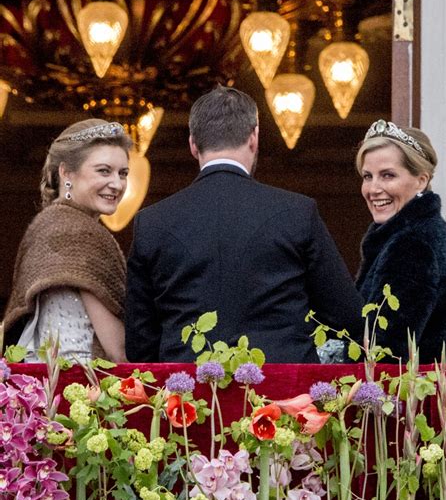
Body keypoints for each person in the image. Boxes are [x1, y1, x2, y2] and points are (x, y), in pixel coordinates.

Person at [125, 85, 363, 363]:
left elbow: (140, 345)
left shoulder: (152, 222)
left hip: (189, 397)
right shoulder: (297, 212)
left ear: (192, 144)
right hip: (283, 395)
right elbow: (348, 317)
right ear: (254, 138)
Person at [3, 119, 132, 363]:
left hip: (45, 384)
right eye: (104, 170)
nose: (117, 184)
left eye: (123, 173)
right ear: (66, 172)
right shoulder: (79, 232)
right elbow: (118, 349)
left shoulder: (47, 224)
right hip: (84, 385)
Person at [355, 119, 446, 364]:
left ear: (421, 180)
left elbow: (383, 356)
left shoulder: (412, 245)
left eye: (387, 175)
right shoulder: (423, 233)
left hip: (407, 401)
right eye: (367, 176)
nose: (373, 188)